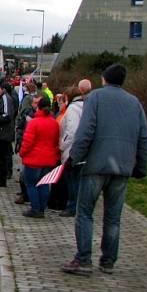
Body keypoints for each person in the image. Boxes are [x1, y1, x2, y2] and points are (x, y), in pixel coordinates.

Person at [61, 64, 147, 276]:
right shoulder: (134, 103)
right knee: (113, 217)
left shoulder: (94, 98)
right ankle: (108, 261)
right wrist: (141, 167)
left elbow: (86, 131)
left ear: (103, 79)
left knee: (84, 213)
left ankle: (83, 260)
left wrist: (74, 157)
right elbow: (144, 137)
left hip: (96, 165)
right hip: (122, 167)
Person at [18, 96, 60, 218]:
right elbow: (56, 141)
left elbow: (27, 142)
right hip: (48, 159)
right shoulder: (54, 123)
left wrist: (22, 153)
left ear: (38, 107)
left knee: (31, 184)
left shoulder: (34, 123)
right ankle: (42, 208)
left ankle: (35, 208)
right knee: (44, 184)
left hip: (33, 159)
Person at [59, 86, 86, 217]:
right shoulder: (86, 106)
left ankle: (72, 207)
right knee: (79, 181)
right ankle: (78, 206)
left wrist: (62, 146)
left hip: (72, 151)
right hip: (85, 151)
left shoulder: (72, 109)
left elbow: (71, 131)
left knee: (72, 181)